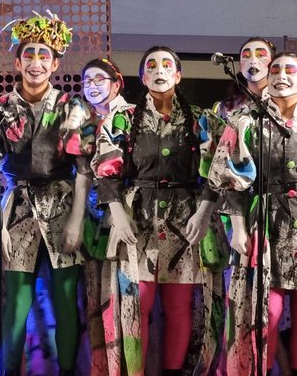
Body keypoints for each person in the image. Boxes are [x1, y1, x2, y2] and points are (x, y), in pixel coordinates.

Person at [0, 10, 94, 376]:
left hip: (63, 204)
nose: (36, 63)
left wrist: (76, 221)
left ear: (55, 64)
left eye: (44, 56)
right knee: (15, 301)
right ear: (17, 63)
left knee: (66, 299)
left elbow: (84, 168)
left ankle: (67, 371)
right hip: (16, 207)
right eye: (29, 55)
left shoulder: (71, 107)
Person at [93, 46, 220, 375]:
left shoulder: (201, 119)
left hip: (185, 217)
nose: (159, 71)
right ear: (142, 76)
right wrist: (118, 214)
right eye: (151, 66)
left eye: (167, 65)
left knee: (179, 306)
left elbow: (217, 169)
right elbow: (106, 169)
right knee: (137, 303)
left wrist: (204, 211)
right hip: (138, 217)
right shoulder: (123, 118)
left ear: (178, 75)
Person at [209, 51, 297, 375]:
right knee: (264, 314)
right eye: (276, 70)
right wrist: (238, 228)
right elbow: (228, 178)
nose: (281, 75)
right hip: (265, 223)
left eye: (290, 70)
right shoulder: (245, 120)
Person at [81, 58, 132, 375]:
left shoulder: (131, 116)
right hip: (90, 219)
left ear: (117, 83)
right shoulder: (84, 122)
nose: (92, 85)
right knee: (95, 299)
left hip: (125, 214)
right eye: (87, 81)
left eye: (99, 79)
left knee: (123, 297)